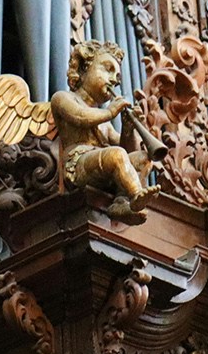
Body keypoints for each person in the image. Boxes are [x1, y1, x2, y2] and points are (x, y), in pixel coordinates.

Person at [51, 40, 160, 219]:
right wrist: (110, 112)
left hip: (101, 167)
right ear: (83, 69)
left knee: (142, 158)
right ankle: (136, 194)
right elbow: (81, 116)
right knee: (116, 155)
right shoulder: (62, 98)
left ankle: (121, 202)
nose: (114, 80)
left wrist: (128, 130)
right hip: (77, 164)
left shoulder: (105, 124)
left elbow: (128, 152)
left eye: (117, 77)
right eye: (108, 69)